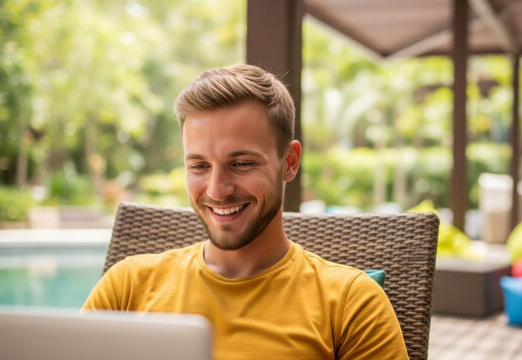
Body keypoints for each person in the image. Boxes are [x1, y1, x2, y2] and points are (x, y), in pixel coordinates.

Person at [82, 64, 409, 359]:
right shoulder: (127, 286)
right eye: (199, 165)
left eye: (240, 164)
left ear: (289, 162)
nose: (216, 190)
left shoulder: (351, 304)